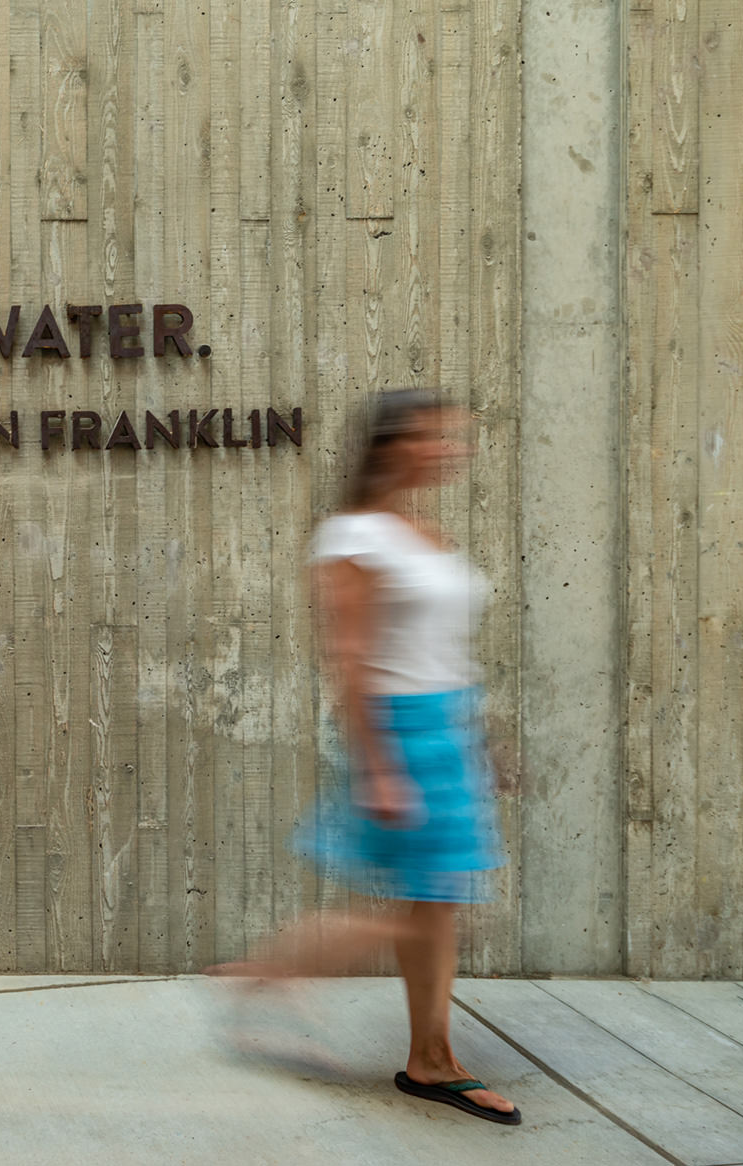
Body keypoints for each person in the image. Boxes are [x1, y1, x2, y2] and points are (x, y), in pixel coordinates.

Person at [204, 389, 520, 1127]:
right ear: (392, 446)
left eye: (453, 438)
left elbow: (442, 652)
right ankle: (270, 970)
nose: (450, 450)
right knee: (428, 911)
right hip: (400, 735)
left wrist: (481, 738)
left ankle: (428, 1058)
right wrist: (378, 767)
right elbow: (348, 660)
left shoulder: (422, 533)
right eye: (435, 437)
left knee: (438, 904)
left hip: (447, 729)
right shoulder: (353, 537)